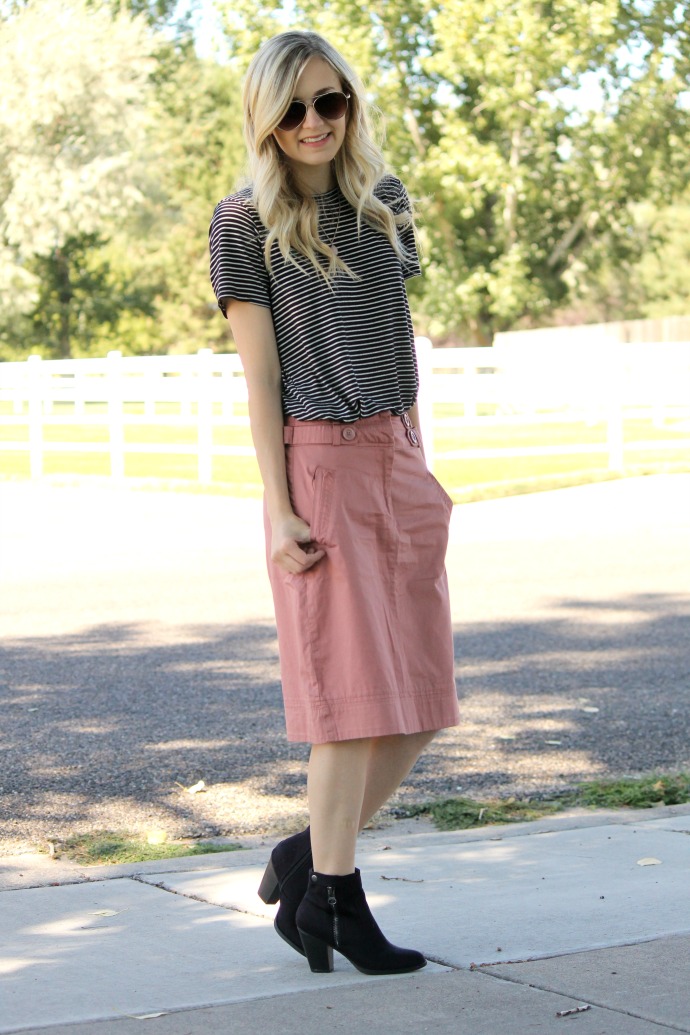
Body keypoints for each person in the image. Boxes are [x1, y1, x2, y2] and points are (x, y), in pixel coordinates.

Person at [209, 29, 460, 976]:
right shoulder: (243, 223)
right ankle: (339, 903)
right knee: (350, 706)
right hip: (318, 461)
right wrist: (277, 509)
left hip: (398, 455)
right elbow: (260, 381)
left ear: (350, 107)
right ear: (267, 118)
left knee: (424, 699)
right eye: (296, 107)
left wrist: (419, 469)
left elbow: (398, 344)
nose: (315, 122)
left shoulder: (384, 202)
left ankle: (302, 860)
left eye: (332, 101)